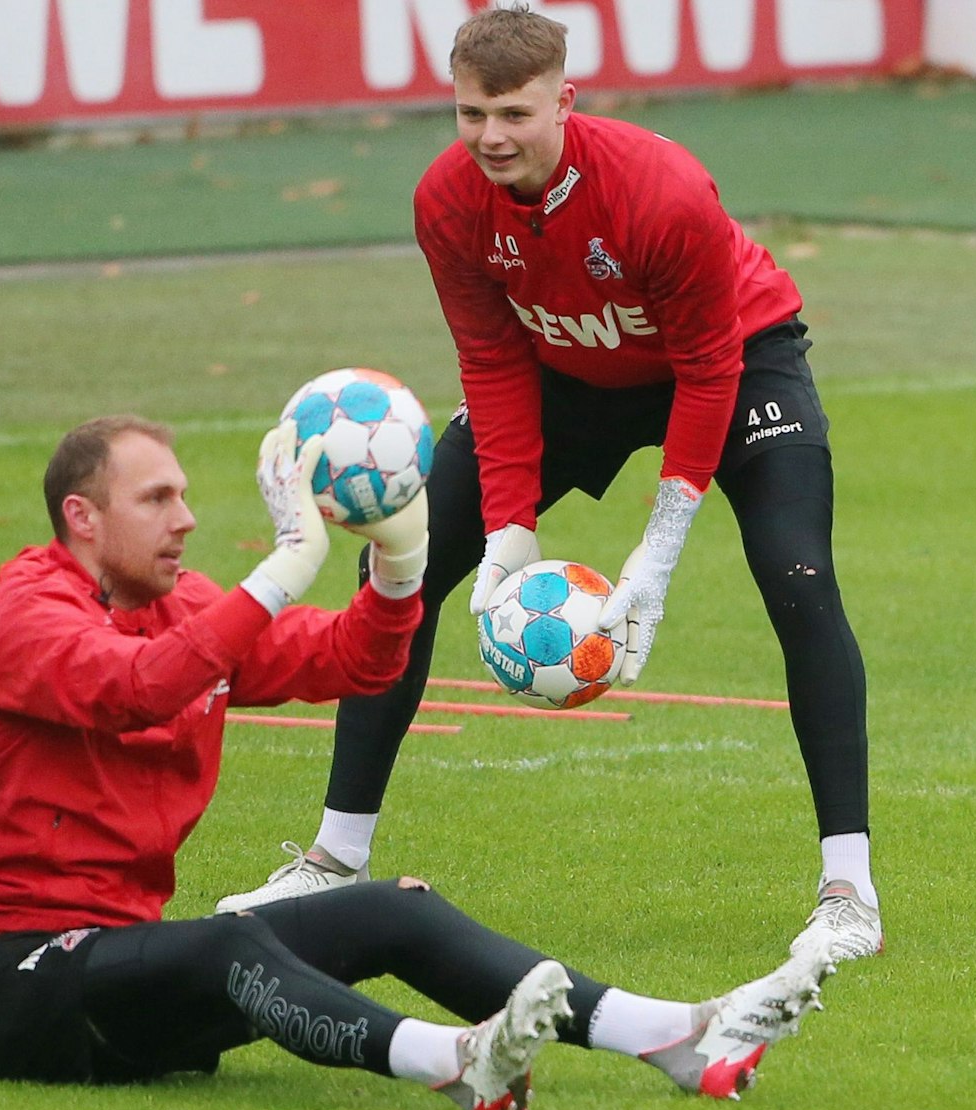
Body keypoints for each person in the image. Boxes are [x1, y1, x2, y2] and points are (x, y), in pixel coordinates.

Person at [0, 415, 832, 1110]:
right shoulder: (22, 619)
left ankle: (671, 1035)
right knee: (237, 938)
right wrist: (278, 568)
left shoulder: (177, 607)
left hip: (118, 974)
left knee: (392, 909)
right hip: (0, 983)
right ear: (80, 516)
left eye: (184, 495)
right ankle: (457, 1064)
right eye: (156, 499)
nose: (185, 519)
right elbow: (139, 689)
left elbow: (348, 662)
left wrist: (399, 568)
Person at [216, 6, 882, 963]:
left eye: (514, 114)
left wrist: (657, 547)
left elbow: (704, 369)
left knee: (798, 580)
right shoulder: (445, 201)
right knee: (398, 568)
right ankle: (332, 860)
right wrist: (508, 529)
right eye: (470, 113)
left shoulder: (661, 192)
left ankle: (848, 893)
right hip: (561, 373)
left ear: (564, 102)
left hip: (734, 363)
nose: (491, 136)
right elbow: (490, 362)